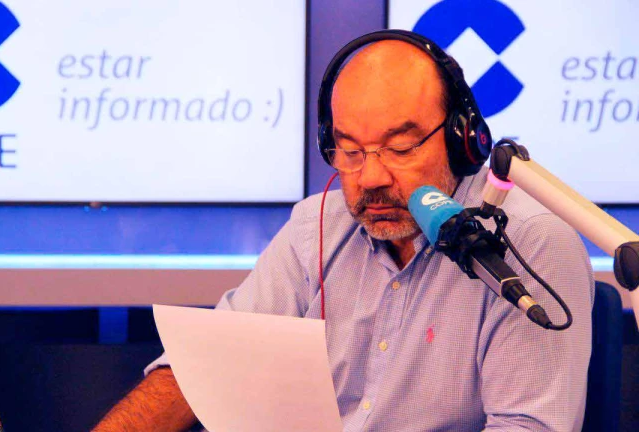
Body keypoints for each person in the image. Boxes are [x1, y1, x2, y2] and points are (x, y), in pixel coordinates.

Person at [93, 30, 594, 432]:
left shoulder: (528, 243)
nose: (370, 178)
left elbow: (526, 426)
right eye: (350, 151)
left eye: (400, 148)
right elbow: (200, 370)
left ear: (463, 138)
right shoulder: (317, 225)